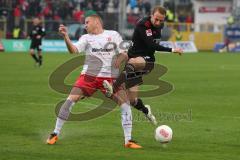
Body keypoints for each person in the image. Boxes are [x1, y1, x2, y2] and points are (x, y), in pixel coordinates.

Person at [46, 15, 142, 149]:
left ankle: (128, 140)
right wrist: (65, 37)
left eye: (87, 22)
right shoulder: (86, 38)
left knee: (125, 103)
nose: (85, 25)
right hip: (89, 76)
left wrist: (117, 63)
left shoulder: (113, 35)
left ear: (96, 22)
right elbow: (73, 50)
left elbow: (124, 53)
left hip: (109, 77)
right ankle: (54, 133)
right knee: (70, 100)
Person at [103, 6, 183, 124]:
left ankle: (113, 87)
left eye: (161, 20)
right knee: (132, 100)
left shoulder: (158, 26)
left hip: (147, 61)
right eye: (156, 19)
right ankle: (146, 111)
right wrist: (171, 50)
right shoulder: (142, 25)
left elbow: (150, 46)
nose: (158, 22)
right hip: (134, 60)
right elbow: (150, 44)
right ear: (151, 15)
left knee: (132, 62)